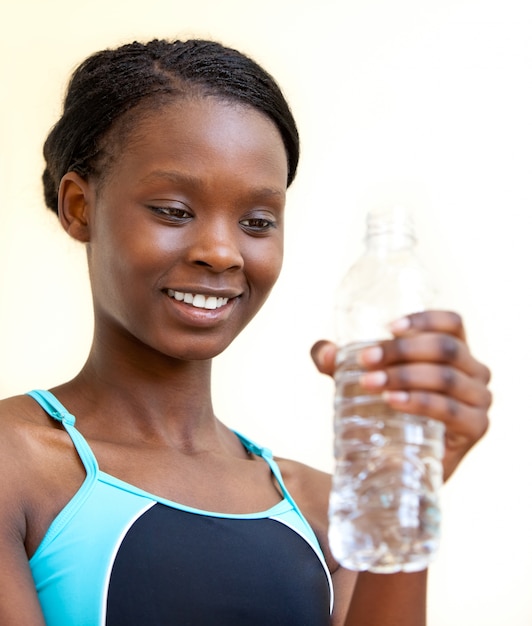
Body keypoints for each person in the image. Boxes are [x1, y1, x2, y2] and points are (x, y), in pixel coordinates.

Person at [0, 38, 491, 626]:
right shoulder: (17, 464)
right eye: (174, 211)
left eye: (258, 221)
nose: (221, 252)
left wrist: (404, 490)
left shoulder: (321, 508)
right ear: (79, 207)